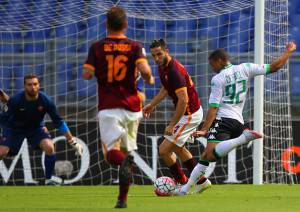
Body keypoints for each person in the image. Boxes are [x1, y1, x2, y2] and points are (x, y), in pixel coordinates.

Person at [177, 41, 297, 195]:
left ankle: (244, 138)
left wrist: (204, 129)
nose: (212, 68)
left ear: (219, 60)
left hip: (224, 119)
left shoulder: (218, 79)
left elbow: (213, 107)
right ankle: (186, 189)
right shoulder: (246, 68)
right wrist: (288, 52)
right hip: (238, 121)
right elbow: (274, 67)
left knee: (209, 155)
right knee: (208, 156)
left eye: (212, 64)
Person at [82, 6, 154, 208]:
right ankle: (122, 200)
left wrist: (94, 70)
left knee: (111, 154)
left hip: (110, 107)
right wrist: (149, 78)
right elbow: (145, 70)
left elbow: (87, 74)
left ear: (106, 24)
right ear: (126, 25)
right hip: (133, 108)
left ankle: (124, 162)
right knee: (125, 152)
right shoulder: (135, 46)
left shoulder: (97, 47)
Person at [143, 39, 211, 194]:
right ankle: (202, 181)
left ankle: (182, 183)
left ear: (167, 51)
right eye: (153, 55)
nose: (156, 58)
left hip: (190, 114)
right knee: (178, 148)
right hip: (188, 113)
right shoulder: (162, 67)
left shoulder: (174, 70)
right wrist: (152, 104)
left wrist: (172, 125)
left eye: (159, 54)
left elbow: (183, 100)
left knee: (164, 150)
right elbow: (166, 89)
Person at [0, 74, 83, 185]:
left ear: (39, 85)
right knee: (2, 152)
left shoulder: (46, 101)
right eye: (29, 84)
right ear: (24, 86)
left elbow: (58, 122)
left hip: (36, 128)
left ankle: (49, 180)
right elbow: (3, 118)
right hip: (15, 128)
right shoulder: (16, 100)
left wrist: (72, 141)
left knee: (49, 147)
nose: (32, 87)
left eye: (35, 84)